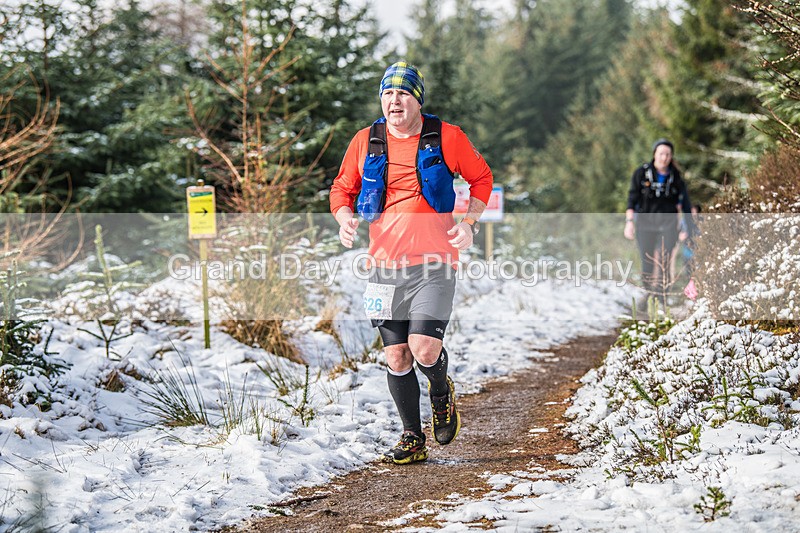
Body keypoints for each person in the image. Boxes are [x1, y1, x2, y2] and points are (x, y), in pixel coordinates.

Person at [330, 61, 493, 464]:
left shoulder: (447, 137)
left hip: (435, 263)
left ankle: (440, 391)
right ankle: (411, 437)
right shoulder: (366, 140)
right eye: (387, 93)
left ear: (417, 99)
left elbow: (482, 178)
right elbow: (341, 188)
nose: (394, 101)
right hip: (384, 267)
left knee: (422, 348)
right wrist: (344, 217)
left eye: (402, 93)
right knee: (396, 356)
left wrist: (470, 222)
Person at [624, 139, 690, 304]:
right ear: (655, 154)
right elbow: (632, 199)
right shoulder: (641, 174)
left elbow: (684, 204)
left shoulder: (676, 178)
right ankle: (647, 293)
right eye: (661, 153)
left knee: (665, 260)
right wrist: (629, 222)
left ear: (671, 156)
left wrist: (685, 227)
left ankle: (662, 296)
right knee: (647, 260)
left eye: (668, 154)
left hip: (668, 225)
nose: (664, 157)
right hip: (645, 224)